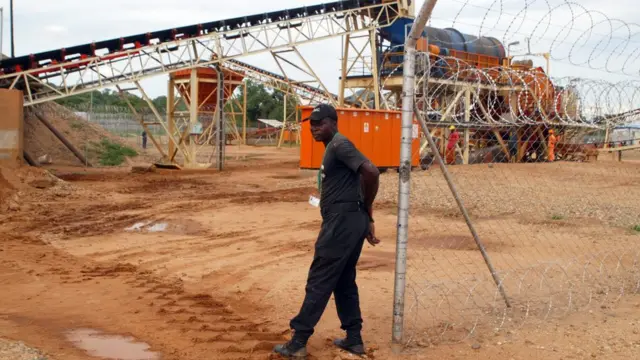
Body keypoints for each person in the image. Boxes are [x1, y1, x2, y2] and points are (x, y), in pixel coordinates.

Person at [273, 104, 381, 358]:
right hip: (349, 219)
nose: (314, 128)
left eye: (320, 124)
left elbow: (371, 171)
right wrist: (365, 216)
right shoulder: (334, 147)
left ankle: (298, 341)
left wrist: (364, 209)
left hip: (342, 223)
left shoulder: (339, 145)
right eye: (312, 124)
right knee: (343, 280)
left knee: (319, 279)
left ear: (333, 122)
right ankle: (354, 339)